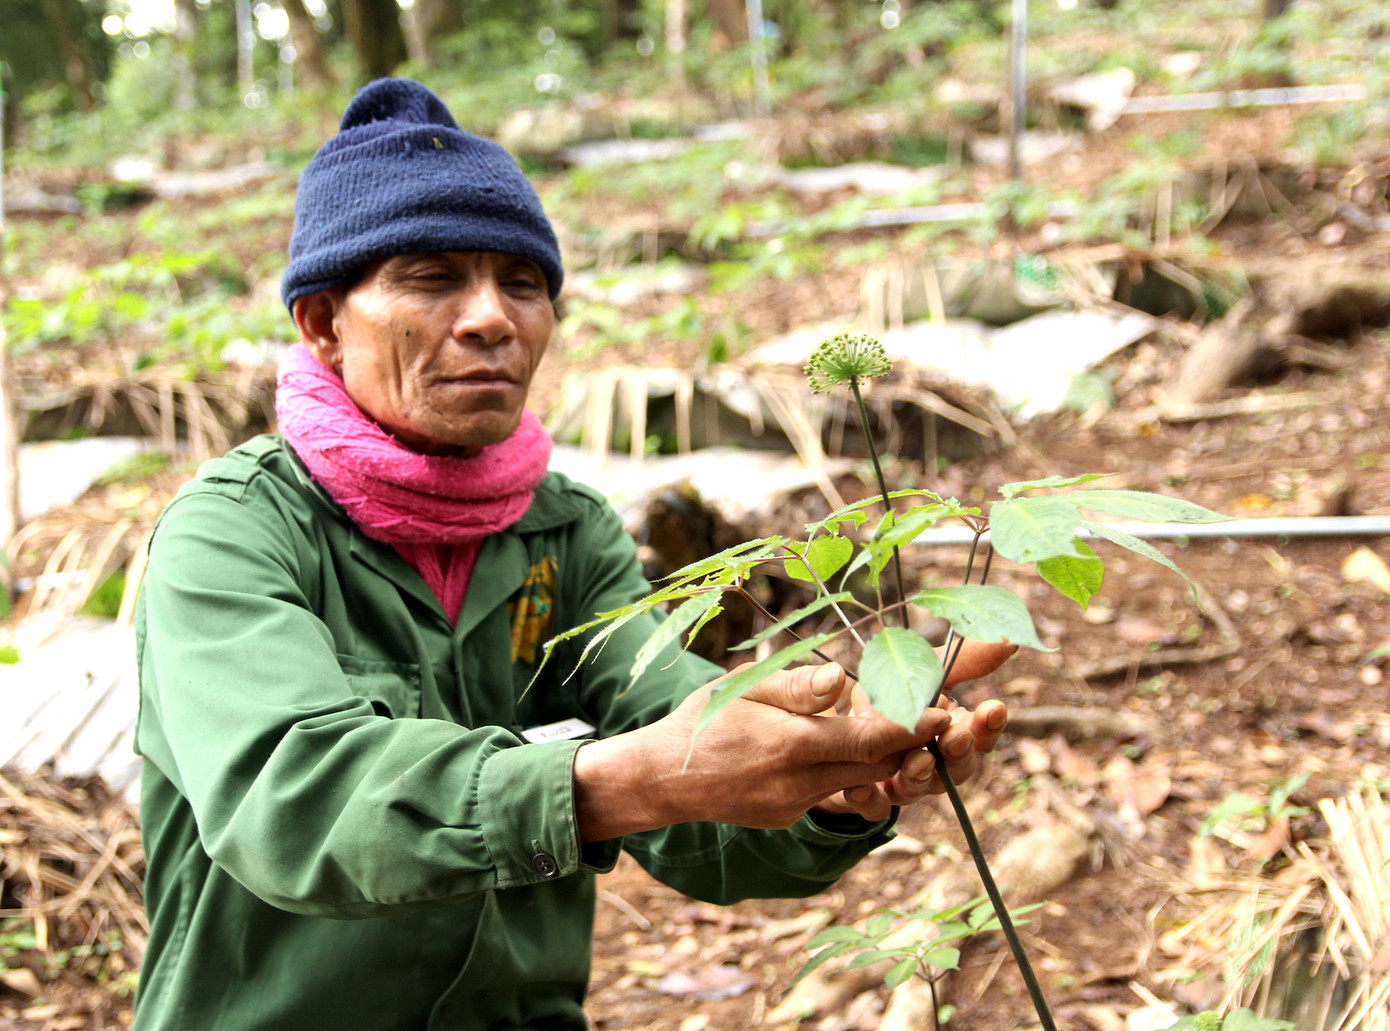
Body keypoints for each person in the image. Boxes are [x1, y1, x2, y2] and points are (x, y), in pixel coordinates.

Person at [131, 77, 1012, 1031]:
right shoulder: (234, 531)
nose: (492, 318)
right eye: (430, 277)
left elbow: (680, 741)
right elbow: (293, 797)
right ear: (323, 323)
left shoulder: (566, 529)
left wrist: (830, 781)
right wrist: (616, 778)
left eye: (522, 281)